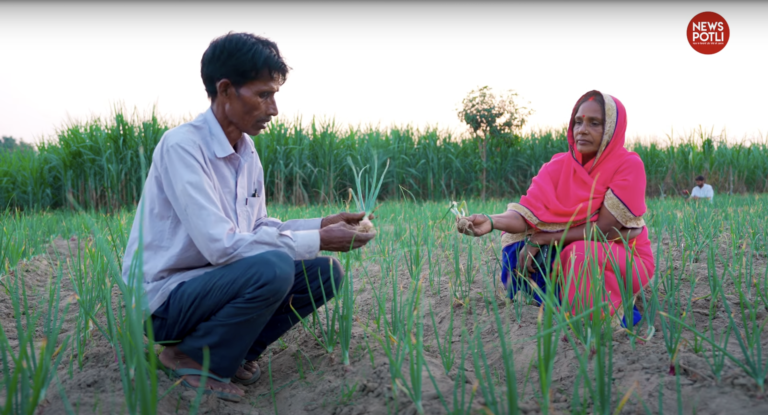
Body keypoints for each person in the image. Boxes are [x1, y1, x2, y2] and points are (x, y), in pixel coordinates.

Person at [121, 32, 375, 402]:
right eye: (263, 95)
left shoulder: (246, 150)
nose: (273, 109)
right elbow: (222, 246)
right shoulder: (182, 148)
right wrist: (319, 239)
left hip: (213, 282)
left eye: (274, 96)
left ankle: (234, 352)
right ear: (225, 91)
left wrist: (320, 225)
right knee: (273, 268)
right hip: (164, 299)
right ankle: (190, 357)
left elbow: (256, 229)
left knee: (324, 275)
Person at [457, 90, 655, 320]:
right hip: (571, 244)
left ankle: (602, 316)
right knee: (516, 244)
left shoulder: (628, 165)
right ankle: (556, 299)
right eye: (578, 122)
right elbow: (528, 214)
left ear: (612, 128)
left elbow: (603, 230)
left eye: (594, 123)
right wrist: (491, 221)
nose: (582, 129)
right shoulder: (556, 166)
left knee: (578, 253)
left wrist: (541, 238)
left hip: (622, 256)